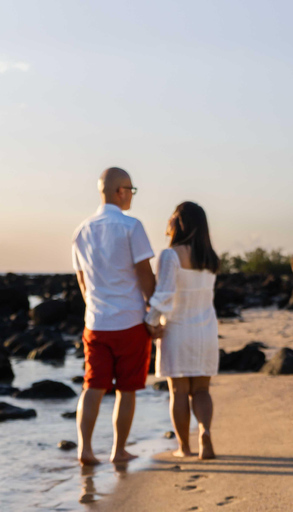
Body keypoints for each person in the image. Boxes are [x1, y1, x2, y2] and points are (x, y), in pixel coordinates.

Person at [71, 167, 157, 466]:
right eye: (131, 189)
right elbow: (145, 276)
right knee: (127, 390)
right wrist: (154, 313)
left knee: (92, 386)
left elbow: (82, 282)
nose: (132, 194)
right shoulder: (131, 226)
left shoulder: (82, 229)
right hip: (131, 321)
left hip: (95, 322)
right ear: (120, 191)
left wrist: (93, 306)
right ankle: (118, 450)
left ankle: (85, 449)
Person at [145, 202, 220, 460]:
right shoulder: (210, 257)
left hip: (177, 329)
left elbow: (164, 294)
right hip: (206, 330)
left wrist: (150, 321)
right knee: (202, 390)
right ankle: (205, 432)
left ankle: (184, 447)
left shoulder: (171, 255)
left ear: (179, 222)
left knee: (178, 391)